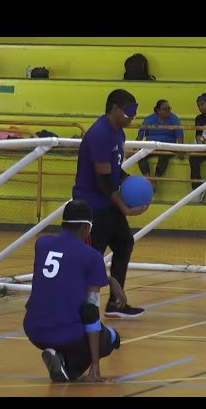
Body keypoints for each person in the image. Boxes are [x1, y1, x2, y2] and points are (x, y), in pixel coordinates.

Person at [23, 200, 124, 383]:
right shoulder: (92, 256)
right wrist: (95, 366)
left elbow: (67, 268)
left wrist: (108, 279)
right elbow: (90, 312)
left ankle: (60, 361)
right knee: (111, 338)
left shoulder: (42, 244)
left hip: (33, 329)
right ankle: (68, 366)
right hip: (64, 333)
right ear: (87, 227)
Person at [72, 89, 148, 318]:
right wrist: (125, 207)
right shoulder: (100, 134)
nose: (133, 117)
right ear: (115, 108)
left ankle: (116, 303)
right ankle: (80, 308)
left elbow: (114, 172)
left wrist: (133, 182)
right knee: (91, 256)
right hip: (92, 205)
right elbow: (103, 181)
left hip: (108, 201)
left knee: (124, 243)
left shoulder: (119, 133)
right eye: (129, 111)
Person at [136, 99, 184, 192]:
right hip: (151, 146)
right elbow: (140, 135)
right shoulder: (149, 119)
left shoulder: (173, 118)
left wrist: (181, 150)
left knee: (164, 156)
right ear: (158, 110)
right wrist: (133, 150)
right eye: (165, 109)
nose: (168, 111)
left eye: (169, 109)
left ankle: (156, 180)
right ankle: (149, 180)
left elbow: (179, 134)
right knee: (139, 156)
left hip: (167, 146)